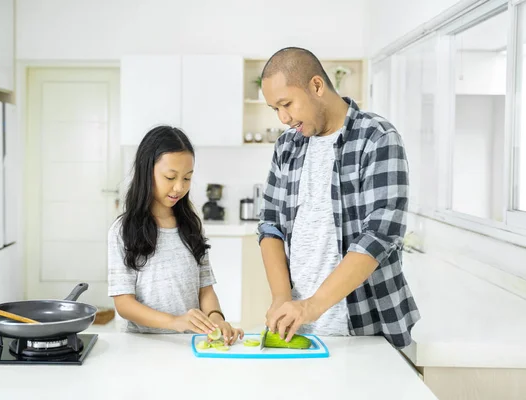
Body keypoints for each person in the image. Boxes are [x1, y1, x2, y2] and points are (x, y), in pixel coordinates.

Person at [257, 47, 420, 349]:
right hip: (299, 328)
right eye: (274, 109)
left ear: (316, 86)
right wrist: (282, 298)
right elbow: (271, 226)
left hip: (366, 328)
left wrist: (312, 305)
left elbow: (379, 235)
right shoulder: (286, 147)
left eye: (287, 104)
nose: (283, 118)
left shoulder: (377, 138)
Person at [107, 125, 244, 345]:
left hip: (190, 344)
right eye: (170, 177)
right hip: (142, 345)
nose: (179, 187)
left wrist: (215, 318)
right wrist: (174, 321)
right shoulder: (123, 230)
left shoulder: (191, 226)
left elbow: (205, 288)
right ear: (146, 171)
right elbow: (124, 304)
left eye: (187, 178)